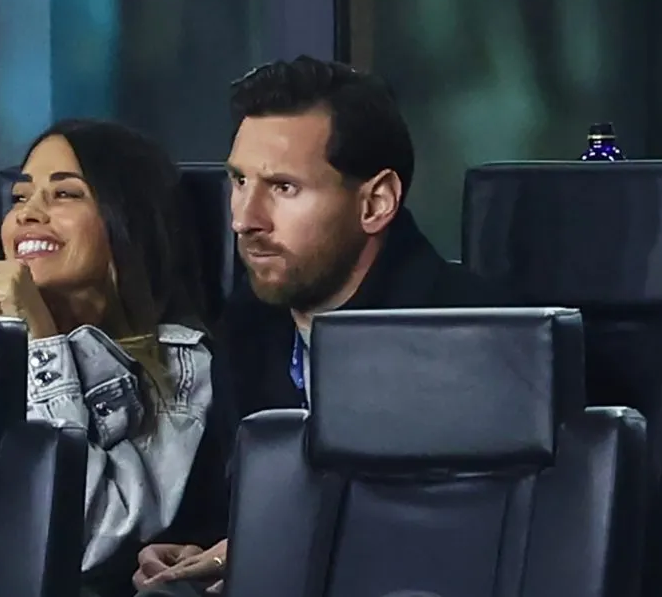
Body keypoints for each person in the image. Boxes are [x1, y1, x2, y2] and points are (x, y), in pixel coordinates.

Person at [132, 57, 512, 596]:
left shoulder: (473, 337)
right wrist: (188, 549)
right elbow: (224, 508)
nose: (244, 218)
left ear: (375, 203)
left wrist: (268, 550)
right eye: (239, 181)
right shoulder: (248, 325)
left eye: (283, 187)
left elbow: (467, 543)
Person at [0, 119, 214, 592]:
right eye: (20, 197)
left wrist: (42, 341)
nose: (28, 214)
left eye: (64, 194)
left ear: (126, 220)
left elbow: (89, 540)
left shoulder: (178, 363)